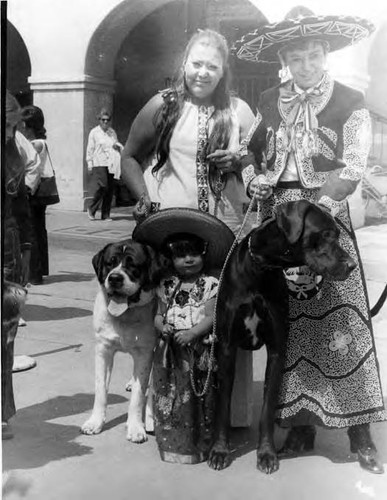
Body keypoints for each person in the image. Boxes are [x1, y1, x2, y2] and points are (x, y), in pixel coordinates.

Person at [234, 7, 386, 474]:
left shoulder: (350, 100)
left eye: (314, 55)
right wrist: (253, 177)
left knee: (341, 322)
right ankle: (301, 422)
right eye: (296, 57)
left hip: (323, 220)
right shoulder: (266, 98)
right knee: (292, 325)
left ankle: (359, 431)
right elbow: (248, 151)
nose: (306, 65)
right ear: (284, 59)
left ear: (326, 56)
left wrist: (314, 210)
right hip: (281, 227)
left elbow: (354, 166)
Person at [121, 28, 258, 427]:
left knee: (221, 315)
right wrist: (143, 198)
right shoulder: (162, 106)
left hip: (223, 233)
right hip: (172, 235)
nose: (202, 73)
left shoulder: (240, 112)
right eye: (196, 63)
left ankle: (225, 416)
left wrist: (238, 161)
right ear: (183, 63)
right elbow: (130, 157)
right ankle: (169, 412)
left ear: (223, 71)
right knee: (172, 316)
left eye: (211, 66)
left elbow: (260, 167)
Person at [133, 208, 235, 463]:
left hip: (198, 347)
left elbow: (213, 317)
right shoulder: (166, 285)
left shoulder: (210, 283)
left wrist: (192, 333)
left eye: (193, 253)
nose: (188, 260)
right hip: (170, 350)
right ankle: (173, 444)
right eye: (181, 255)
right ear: (171, 258)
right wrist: (162, 326)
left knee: (199, 394)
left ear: (203, 254)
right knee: (171, 395)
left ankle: (200, 444)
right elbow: (159, 315)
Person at [2, 91, 34, 439]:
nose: (10, 133)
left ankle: (1, 413)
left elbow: (22, 206)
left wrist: (25, 253)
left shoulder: (13, 152)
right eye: (5, 126)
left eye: (13, 126)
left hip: (8, 249)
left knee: (5, 337)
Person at [19, 105, 52, 285]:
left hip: (33, 191)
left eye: (23, 123)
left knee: (31, 232)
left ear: (29, 125)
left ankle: (34, 275)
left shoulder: (35, 144)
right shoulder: (39, 142)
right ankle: (40, 271)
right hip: (38, 192)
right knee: (39, 231)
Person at [86, 108, 123, 221]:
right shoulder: (94, 132)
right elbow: (90, 148)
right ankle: (91, 208)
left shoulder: (112, 132)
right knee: (103, 186)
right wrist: (89, 162)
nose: (105, 122)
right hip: (99, 162)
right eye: (103, 120)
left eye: (107, 120)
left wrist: (118, 147)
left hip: (111, 162)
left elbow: (115, 143)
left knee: (110, 189)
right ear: (99, 120)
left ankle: (105, 214)